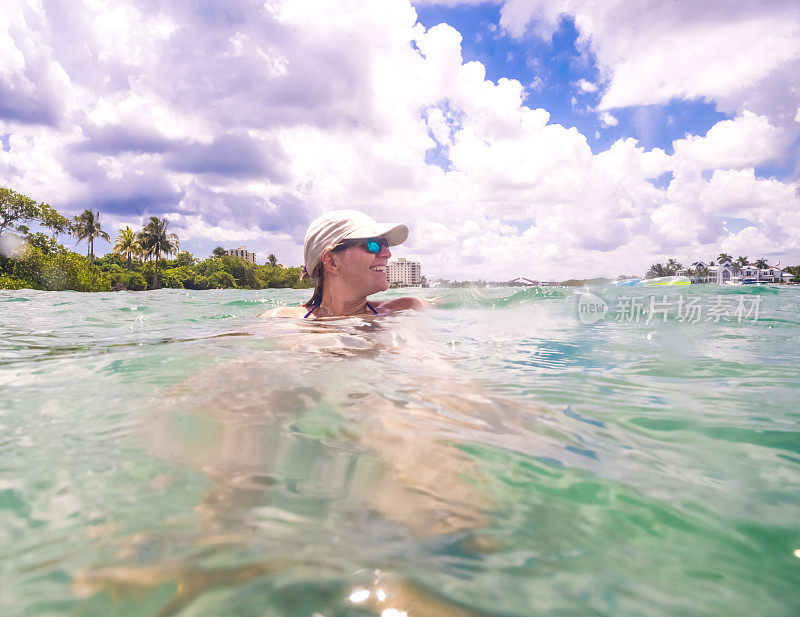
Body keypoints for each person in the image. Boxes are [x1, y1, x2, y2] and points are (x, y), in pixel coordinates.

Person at [264, 210, 428, 318]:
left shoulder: (407, 308)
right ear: (331, 262)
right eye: (373, 244)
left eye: (385, 244)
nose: (387, 253)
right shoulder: (282, 319)